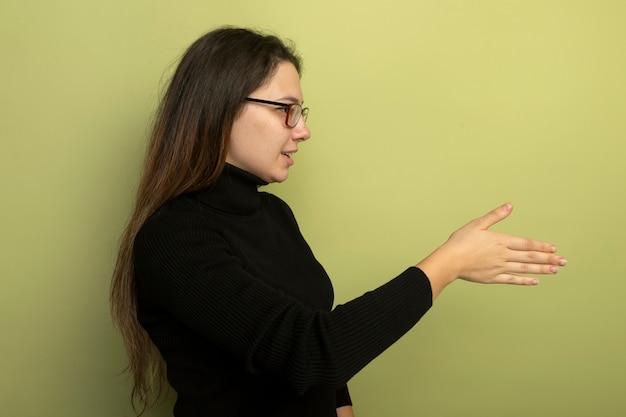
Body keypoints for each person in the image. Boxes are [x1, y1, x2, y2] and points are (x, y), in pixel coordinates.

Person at [110, 27, 567, 417]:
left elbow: (319, 340)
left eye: (302, 112)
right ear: (220, 108)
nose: (302, 129)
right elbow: (309, 350)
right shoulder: (173, 237)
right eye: (284, 108)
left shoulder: (274, 214)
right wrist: (447, 264)